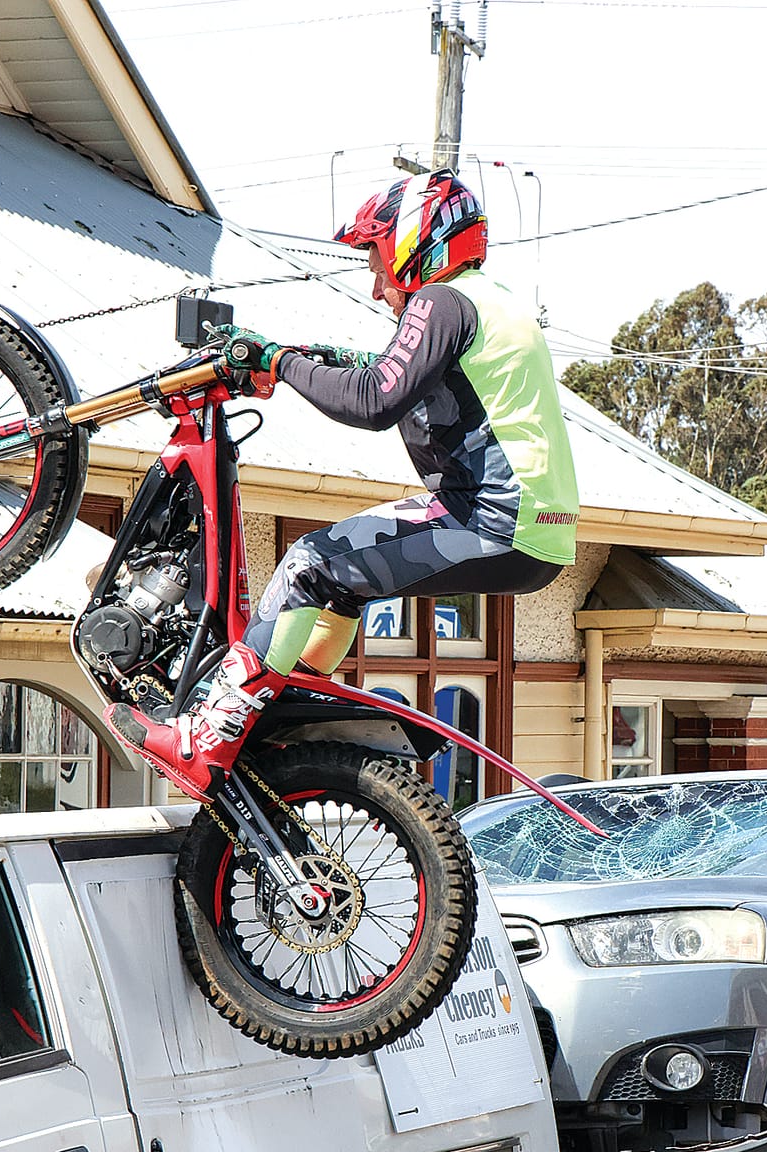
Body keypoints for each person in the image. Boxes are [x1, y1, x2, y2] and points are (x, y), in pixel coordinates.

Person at [105, 171, 580, 797]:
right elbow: (390, 372)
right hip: (530, 532)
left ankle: (205, 735)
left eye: (378, 259)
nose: (378, 285)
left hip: (489, 518)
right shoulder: (489, 300)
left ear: (419, 241)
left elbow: (374, 398)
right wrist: (302, 355)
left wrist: (278, 363)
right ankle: (275, 713)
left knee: (307, 563)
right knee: (343, 585)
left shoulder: (442, 302)